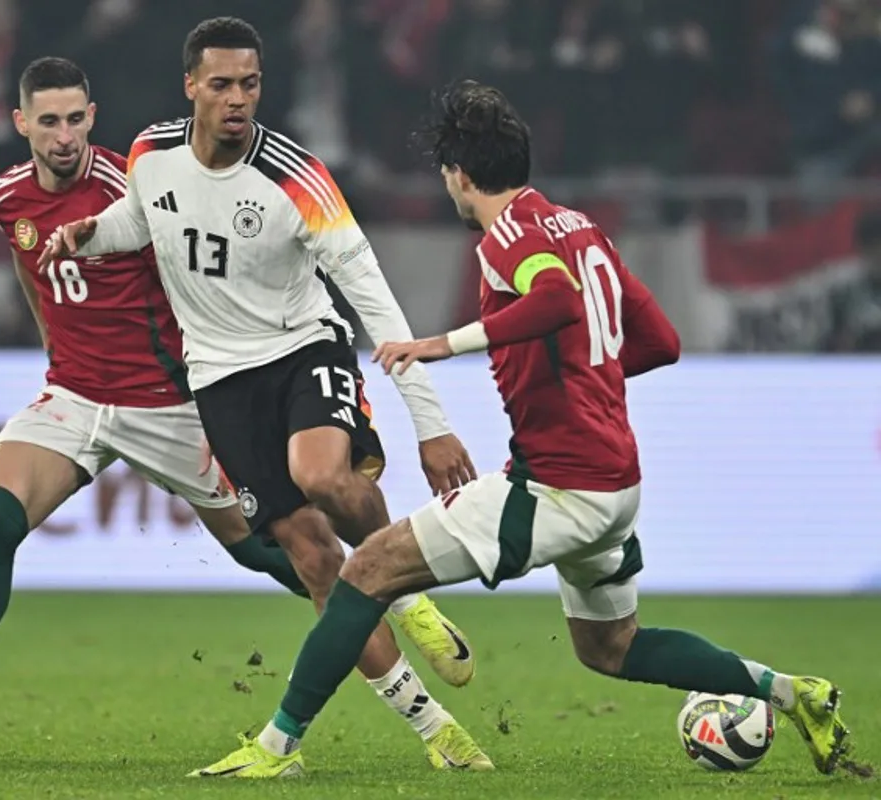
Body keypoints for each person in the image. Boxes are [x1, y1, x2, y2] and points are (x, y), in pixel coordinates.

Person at [191, 81, 852, 778]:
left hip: (558, 484)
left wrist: (442, 344)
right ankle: (792, 691)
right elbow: (660, 342)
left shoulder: (508, 240)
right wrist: (582, 381)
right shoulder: (580, 228)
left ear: (460, 174)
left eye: (446, 172)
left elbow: (556, 297)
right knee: (610, 647)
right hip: (616, 485)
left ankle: (275, 749)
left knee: (366, 570)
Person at [40, 18, 488, 770]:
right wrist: (90, 233)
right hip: (217, 378)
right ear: (190, 87)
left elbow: (373, 300)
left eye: (250, 84)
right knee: (316, 561)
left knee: (321, 475)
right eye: (221, 84)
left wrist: (431, 425)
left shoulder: (296, 178)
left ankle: (408, 596)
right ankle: (436, 729)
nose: (238, 99)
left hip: (300, 347)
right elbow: (140, 219)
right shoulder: (150, 153)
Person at [0, 56, 313, 750]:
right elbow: (35, 277)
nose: (64, 136)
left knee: (261, 550)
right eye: (48, 121)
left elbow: (201, 289)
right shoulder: (6, 199)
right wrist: (55, 349)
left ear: (93, 116)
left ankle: (371, 598)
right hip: (75, 395)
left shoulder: (134, 192)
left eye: (76, 119)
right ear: (22, 123)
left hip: (163, 404)